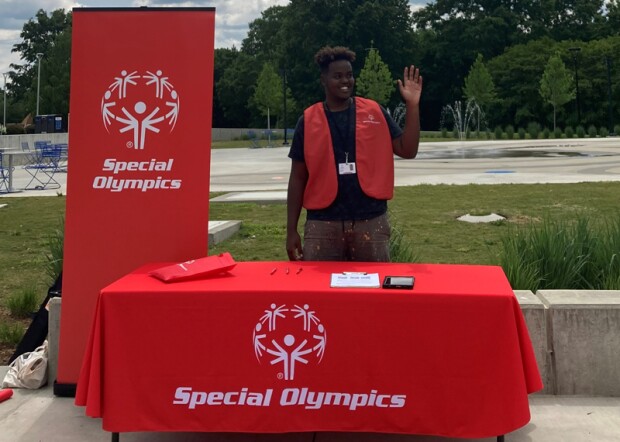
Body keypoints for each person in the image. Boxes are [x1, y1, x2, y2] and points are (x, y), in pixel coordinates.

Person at [286, 45, 423, 262]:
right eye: (337, 76)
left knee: (372, 292)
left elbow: (408, 150)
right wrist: (291, 229)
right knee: (320, 292)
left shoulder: (374, 111)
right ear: (323, 79)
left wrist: (412, 106)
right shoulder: (308, 120)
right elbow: (298, 177)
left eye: (349, 75)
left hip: (371, 221)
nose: (345, 81)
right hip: (323, 224)